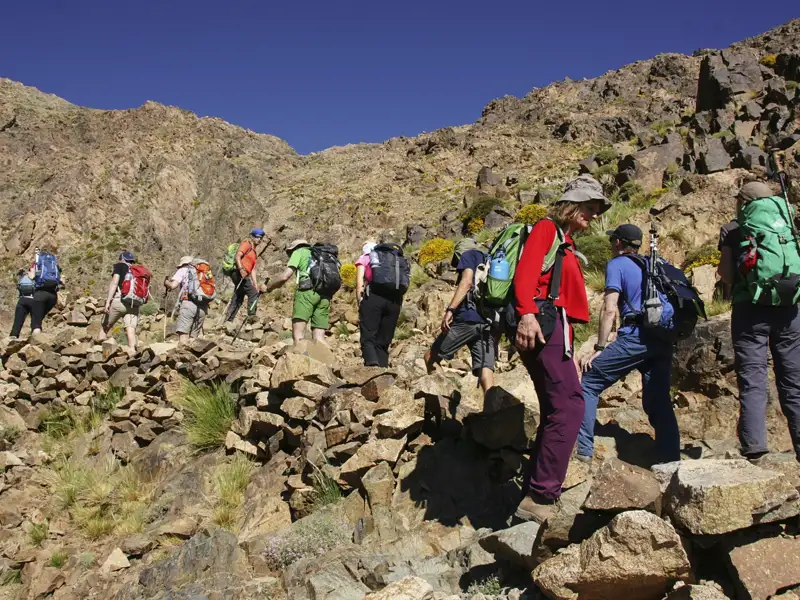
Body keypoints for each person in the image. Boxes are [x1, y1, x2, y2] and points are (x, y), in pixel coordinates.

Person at [514, 185, 610, 523]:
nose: (595, 214)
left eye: (598, 209)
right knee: (570, 403)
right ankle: (541, 494)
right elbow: (525, 272)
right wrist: (526, 313)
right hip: (543, 325)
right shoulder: (546, 229)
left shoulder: (566, 242)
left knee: (558, 406)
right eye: (591, 206)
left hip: (556, 327)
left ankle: (535, 489)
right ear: (573, 204)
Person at [576, 224, 681, 464]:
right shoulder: (654, 264)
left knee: (589, 383)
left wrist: (600, 347)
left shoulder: (617, 265)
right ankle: (671, 461)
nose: (612, 245)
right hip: (662, 337)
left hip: (636, 336)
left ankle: (583, 452)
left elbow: (609, 308)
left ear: (619, 244)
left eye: (613, 241)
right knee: (659, 399)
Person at [718, 181, 800, 463]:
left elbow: (727, 275)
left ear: (743, 201)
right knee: (793, 380)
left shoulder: (733, 228)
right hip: (789, 308)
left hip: (750, 309)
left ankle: (755, 447)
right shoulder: (785, 222)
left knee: (753, 377)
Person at [424, 239, 498, 393]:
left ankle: (444, 397)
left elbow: (466, 282)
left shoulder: (469, 255)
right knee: (486, 369)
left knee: (430, 357)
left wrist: (450, 309)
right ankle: (492, 412)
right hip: (488, 323)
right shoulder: (489, 260)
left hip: (467, 319)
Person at [265, 239, 330, 344]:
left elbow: (284, 277)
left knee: (298, 335)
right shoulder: (318, 254)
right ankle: (329, 359)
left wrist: (268, 288)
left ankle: (298, 359)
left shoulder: (298, 252)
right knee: (319, 337)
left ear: (294, 248)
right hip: (325, 295)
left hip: (306, 293)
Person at [356, 239, 407, 367]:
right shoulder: (397, 260)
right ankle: (383, 370)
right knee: (384, 340)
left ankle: (372, 368)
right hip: (395, 300)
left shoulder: (366, 258)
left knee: (368, 337)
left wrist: (360, 302)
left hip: (374, 297)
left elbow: (359, 284)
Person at [98, 251, 141, 351]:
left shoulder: (120, 265)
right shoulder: (137, 270)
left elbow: (114, 282)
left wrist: (108, 301)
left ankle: (99, 351)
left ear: (122, 259)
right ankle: (132, 352)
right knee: (130, 329)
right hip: (134, 303)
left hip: (120, 300)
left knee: (105, 326)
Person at [225, 228, 268, 323]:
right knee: (253, 293)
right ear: (252, 237)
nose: (259, 239)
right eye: (257, 237)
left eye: (261, 238)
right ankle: (251, 317)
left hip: (244, 274)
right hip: (238, 272)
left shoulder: (254, 252)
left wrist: (255, 284)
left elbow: (253, 269)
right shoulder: (246, 244)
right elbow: (237, 256)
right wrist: (241, 269)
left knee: (238, 296)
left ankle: (228, 320)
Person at [164, 256, 209, 344]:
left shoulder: (184, 269)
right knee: (193, 337)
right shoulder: (203, 272)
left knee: (183, 334)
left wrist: (166, 282)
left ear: (183, 264)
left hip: (189, 303)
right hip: (203, 306)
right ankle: (192, 354)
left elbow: (172, 285)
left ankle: (182, 354)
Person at [29, 245, 64, 336]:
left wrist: (32, 273)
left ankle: (35, 343)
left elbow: (31, 276)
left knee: (36, 320)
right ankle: (38, 338)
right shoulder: (54, 265)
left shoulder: (37, 264)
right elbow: (62, 281)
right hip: (53, 296)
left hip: (40, 294)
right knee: (39, 316)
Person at [10, 268, 37, 338]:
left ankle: (14, 335)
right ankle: (35, 337)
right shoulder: (37, 277)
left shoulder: (23, 277)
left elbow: (18, 286)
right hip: (34, 300)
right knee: (35, 320)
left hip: (22, 299)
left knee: (18, 320)